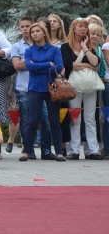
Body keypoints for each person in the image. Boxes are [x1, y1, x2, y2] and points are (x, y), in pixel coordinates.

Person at [9, 16, 55, 157]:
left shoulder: (45, 46)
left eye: (28, 26)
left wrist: (31, 64)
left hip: (44, 86)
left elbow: (55, 66)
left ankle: (46, 150)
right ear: (19, 29)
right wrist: (42, 64)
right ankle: (28, 150)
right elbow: (17, 65)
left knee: (46, 119)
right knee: (27, 120)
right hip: (24, 87)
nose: (26, 29)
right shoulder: (17, 46)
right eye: (22, 26)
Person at [21, 22, 66, 162]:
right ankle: (26, 151)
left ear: (44, 33)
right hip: (35, 88)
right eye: (32, 32)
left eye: (37, 31)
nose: (34, 33)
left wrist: (38, 66)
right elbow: (29, 67)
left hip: (52, 88)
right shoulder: (29, 51)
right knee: (33, 120)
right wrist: (48, 64)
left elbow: (59, 67)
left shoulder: (54, 50)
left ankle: (59, 152)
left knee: (54, 120)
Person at [61, 18, 100, 160]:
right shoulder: (65, 46)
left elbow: (96, 62)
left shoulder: (90, 46)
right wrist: (88, 66)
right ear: (73, 28)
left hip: (90, 85)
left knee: (90, 117)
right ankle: (74, 150)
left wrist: (85, 47)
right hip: (74, 85)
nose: (83, 29)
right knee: (75, 117)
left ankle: (93, 150)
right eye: (80, 26)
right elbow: (68, 65)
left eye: (85, 26)